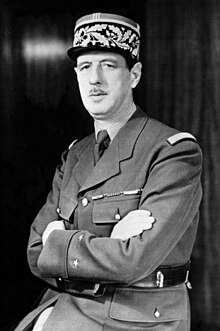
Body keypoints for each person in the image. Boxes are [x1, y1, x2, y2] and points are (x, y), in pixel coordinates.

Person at [14, 12, 202, 331]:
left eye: (109, 65)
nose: (94, 79)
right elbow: (35, 252)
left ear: (135, 74)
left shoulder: (173, 150)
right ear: (76, 75)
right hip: (70, 304)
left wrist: (59, 241)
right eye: (85, 67)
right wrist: (110, 240)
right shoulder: (76, 154)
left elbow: (132, 260)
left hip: (137, 316)